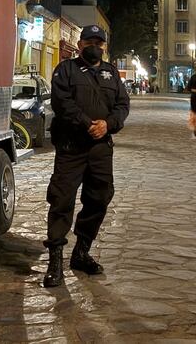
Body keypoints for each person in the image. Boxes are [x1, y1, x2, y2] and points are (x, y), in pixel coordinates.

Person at [42, 25, 130, 288]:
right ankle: (55, 260)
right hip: (72, 146)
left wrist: (109, 124)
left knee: (100, 197)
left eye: (99, 42)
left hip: (101, 148)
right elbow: (61, 102)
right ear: (79, 44)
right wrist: (87, 123)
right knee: (61, 200)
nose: (95, 45)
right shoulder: (66, 70)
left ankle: (81, 251)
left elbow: (123, 105)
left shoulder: (111, 73)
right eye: (89, 41)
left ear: (104, 46)